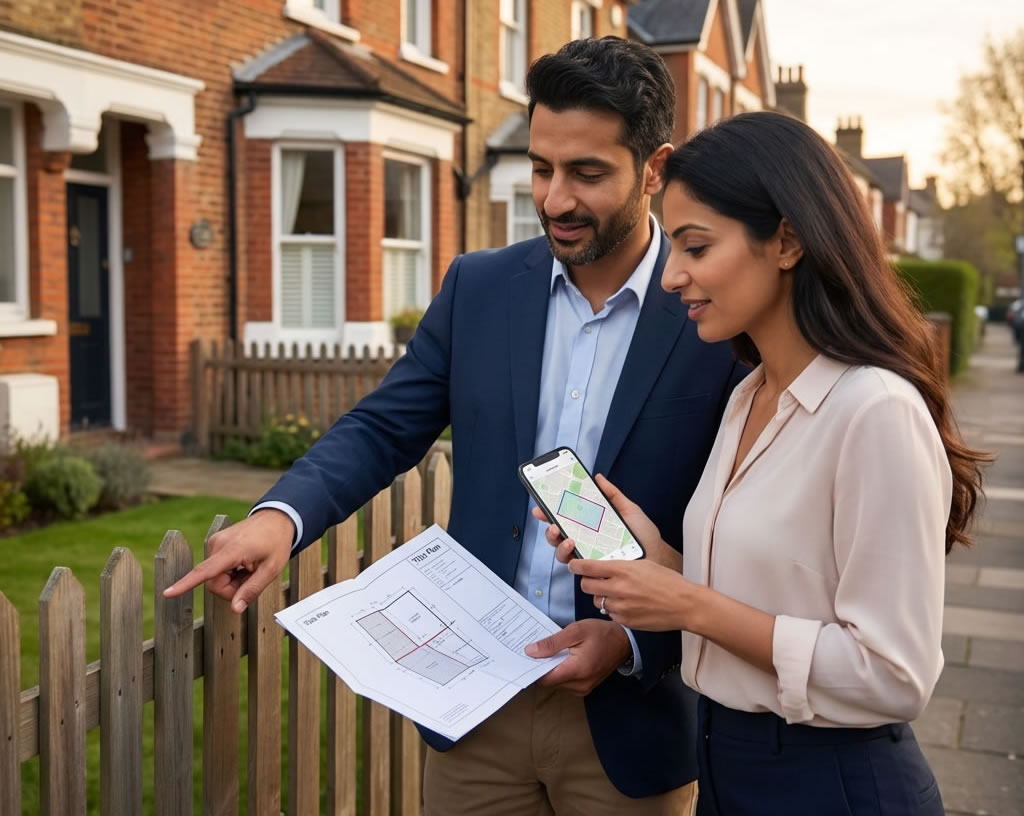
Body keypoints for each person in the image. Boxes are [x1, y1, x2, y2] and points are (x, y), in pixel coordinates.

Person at [165, 37, 744, 816]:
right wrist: (280, 517)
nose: (555, 199)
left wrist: (636, 640)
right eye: (542, 168)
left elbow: (743, 537)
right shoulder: (479, 286)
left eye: (587, 173)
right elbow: (382, 427)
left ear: (654, 169)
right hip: (476, 713)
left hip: (632, 726)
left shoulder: (714, 312)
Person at [537, 111, 991, 815]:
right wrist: (659, 564)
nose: (671, 276)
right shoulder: (750, 394)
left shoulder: (874, 411)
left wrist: (689, 604)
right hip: (725, 768)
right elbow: (773, 597)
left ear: (785, 240)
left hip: (829, 783)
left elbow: (894, 675)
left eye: (695, 246)